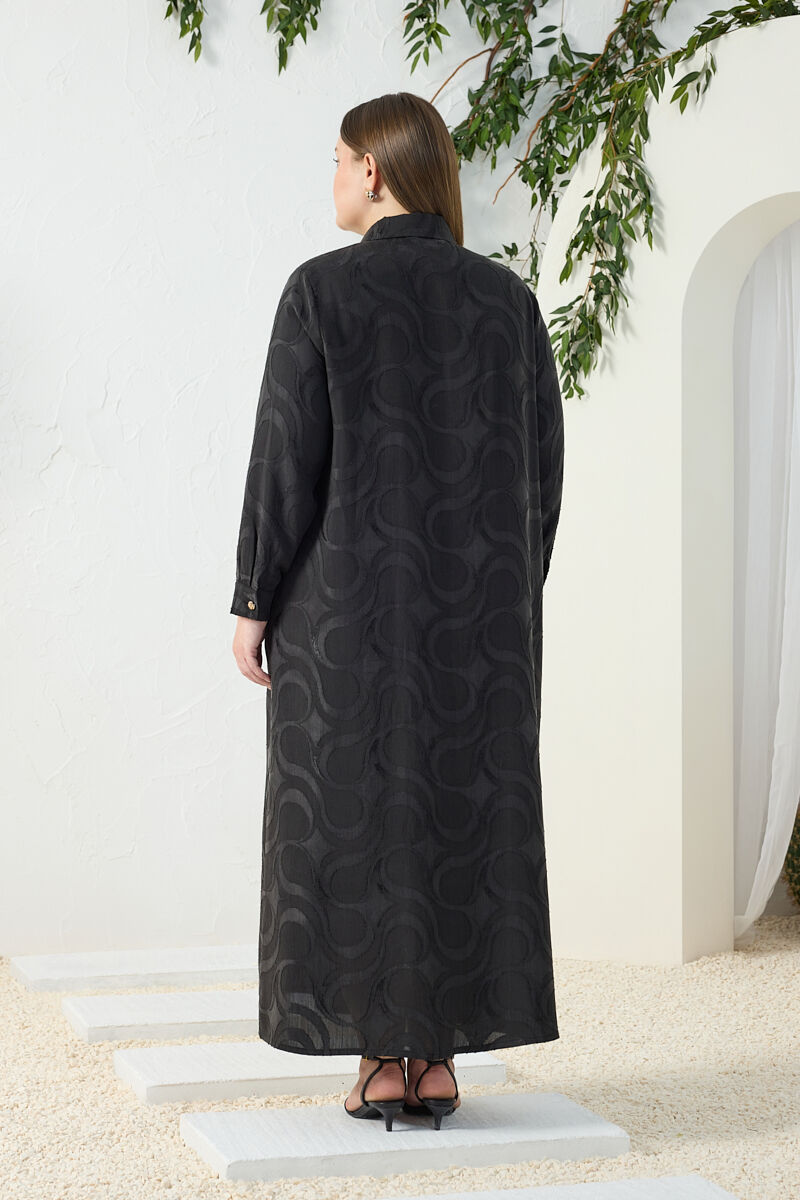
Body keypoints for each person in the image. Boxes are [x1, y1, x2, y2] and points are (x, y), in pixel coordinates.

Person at [231, 92, 565, 1133]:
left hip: (343, 615)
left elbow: (286, 460)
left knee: (350, 814)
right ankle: (440, 1061)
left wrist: (254, 598)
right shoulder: (506, 301)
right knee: (462, 812)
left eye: (339, 159)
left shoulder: (319, 291)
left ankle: (381, 1060)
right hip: (479, 622)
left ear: (373, 170)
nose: (332, 176)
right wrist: (511, 596)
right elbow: (543, 473)